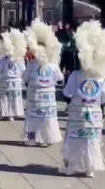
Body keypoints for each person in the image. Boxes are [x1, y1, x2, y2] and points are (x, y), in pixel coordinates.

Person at [59, 20, 105, 177]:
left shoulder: (77, 75)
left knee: (74, 139)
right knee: (91, 141)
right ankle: (90, 169)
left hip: (78, 113)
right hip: (95, 114)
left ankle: (72, 166)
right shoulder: (101, 77)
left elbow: (67, 93)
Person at [22, 18, 64, 147]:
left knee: (33, 118)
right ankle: (48, 138)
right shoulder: (53, 64)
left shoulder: (32, 64)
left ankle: (32, 139)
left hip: (35, 96)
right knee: (47, 118)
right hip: (48, 97)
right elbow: (60, 78)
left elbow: (25, 78)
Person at [0, 29, 27, 121]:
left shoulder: (4, 60)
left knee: (4, 99)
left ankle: (3, 113)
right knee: (14, 99)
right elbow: (23, 71)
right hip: (16, 83)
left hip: (6, 81)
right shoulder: (19, 61)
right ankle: (12, 114)